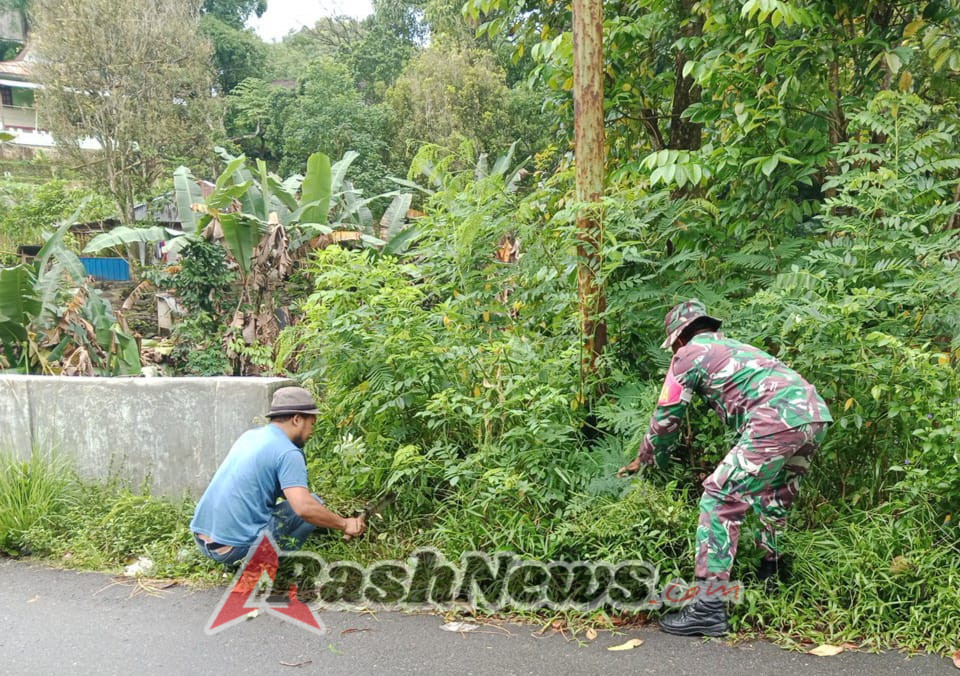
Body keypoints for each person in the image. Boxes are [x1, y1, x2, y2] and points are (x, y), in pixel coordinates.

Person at [618, 299, 832, 637]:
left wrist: (648, 459)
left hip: (775, 419)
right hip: (813, 414)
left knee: (720, 496)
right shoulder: (734, 347)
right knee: (772, 499)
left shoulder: (687, 355)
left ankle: (708, 607)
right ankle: (770, 580)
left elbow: (666, 417)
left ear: (679, 337)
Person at [190, 386, 366, 567]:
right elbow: (304, 508)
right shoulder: (288, 452)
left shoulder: (250, 436)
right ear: (297, 419)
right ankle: (271, 566)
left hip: (204, 541)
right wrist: (344, 524)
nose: (312, 431)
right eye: (312, 423)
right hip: (234, 550)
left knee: (307, 505)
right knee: (314, 502)